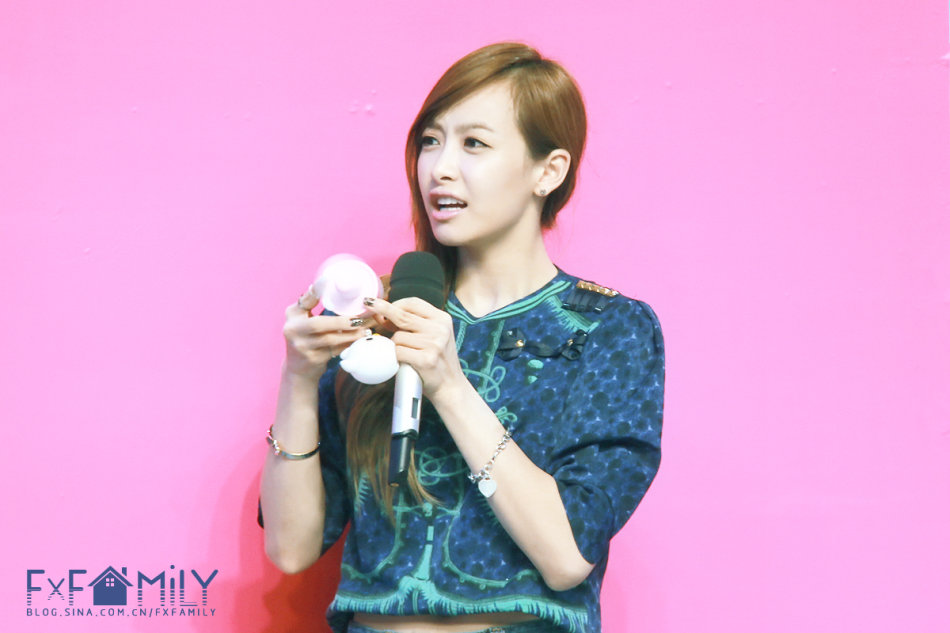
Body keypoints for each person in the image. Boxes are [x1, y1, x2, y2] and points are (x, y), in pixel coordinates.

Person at [258, 42, 664, 633]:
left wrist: (448, 385)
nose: (439, 168)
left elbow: (566, 557)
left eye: (474, 143)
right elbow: (291, 549)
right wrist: (298, 378)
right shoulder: (382, 312)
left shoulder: (606, 328)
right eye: (431, 140)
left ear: (548, 171)